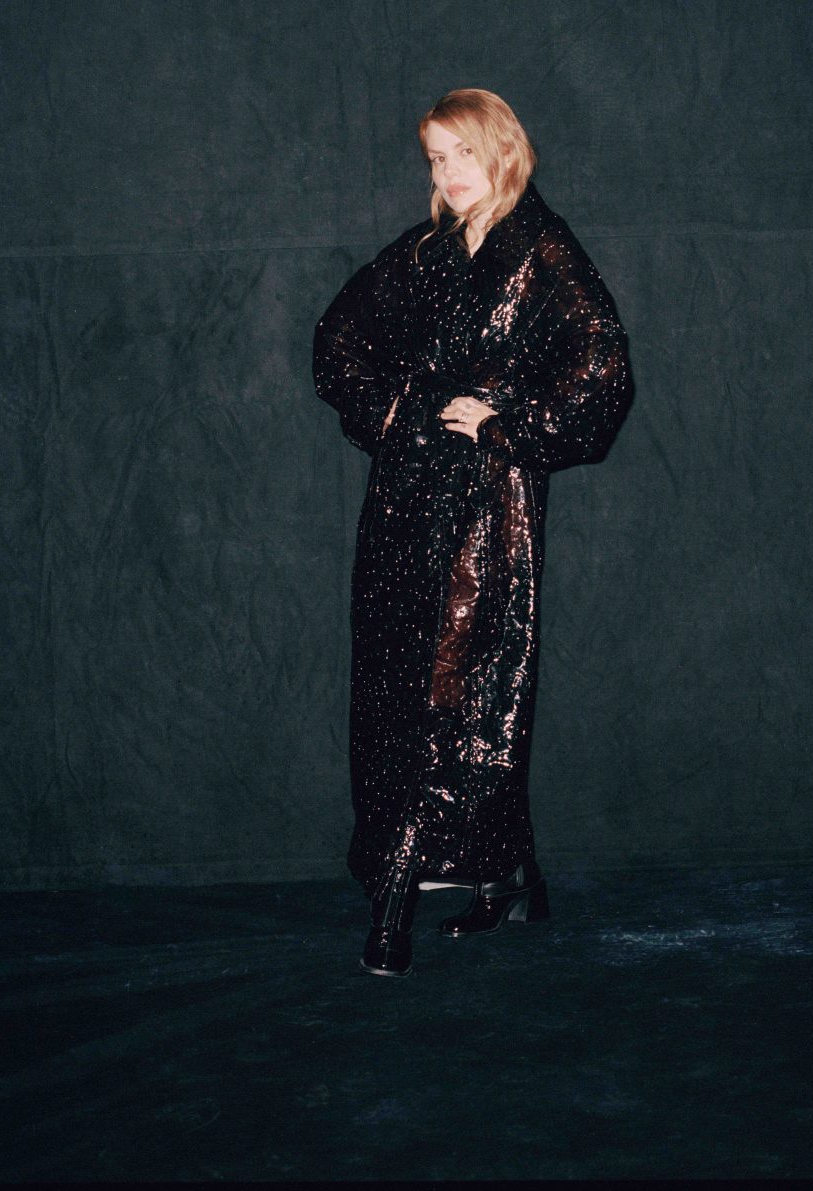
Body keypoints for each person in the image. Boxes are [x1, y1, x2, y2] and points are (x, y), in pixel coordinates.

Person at [312, 88, 632, 977]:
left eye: (462, 153)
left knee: (453, 693)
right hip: (402, 504)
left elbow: (604, 366)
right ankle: (510, 875)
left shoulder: (545, 249)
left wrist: (508, 426)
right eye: (436, 158)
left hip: (485, 512)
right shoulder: (427, 252)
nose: (449, 173)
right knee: (393, 685)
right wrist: (391, 413)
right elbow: (337, 337)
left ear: (502, 150)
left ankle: (396, 898)